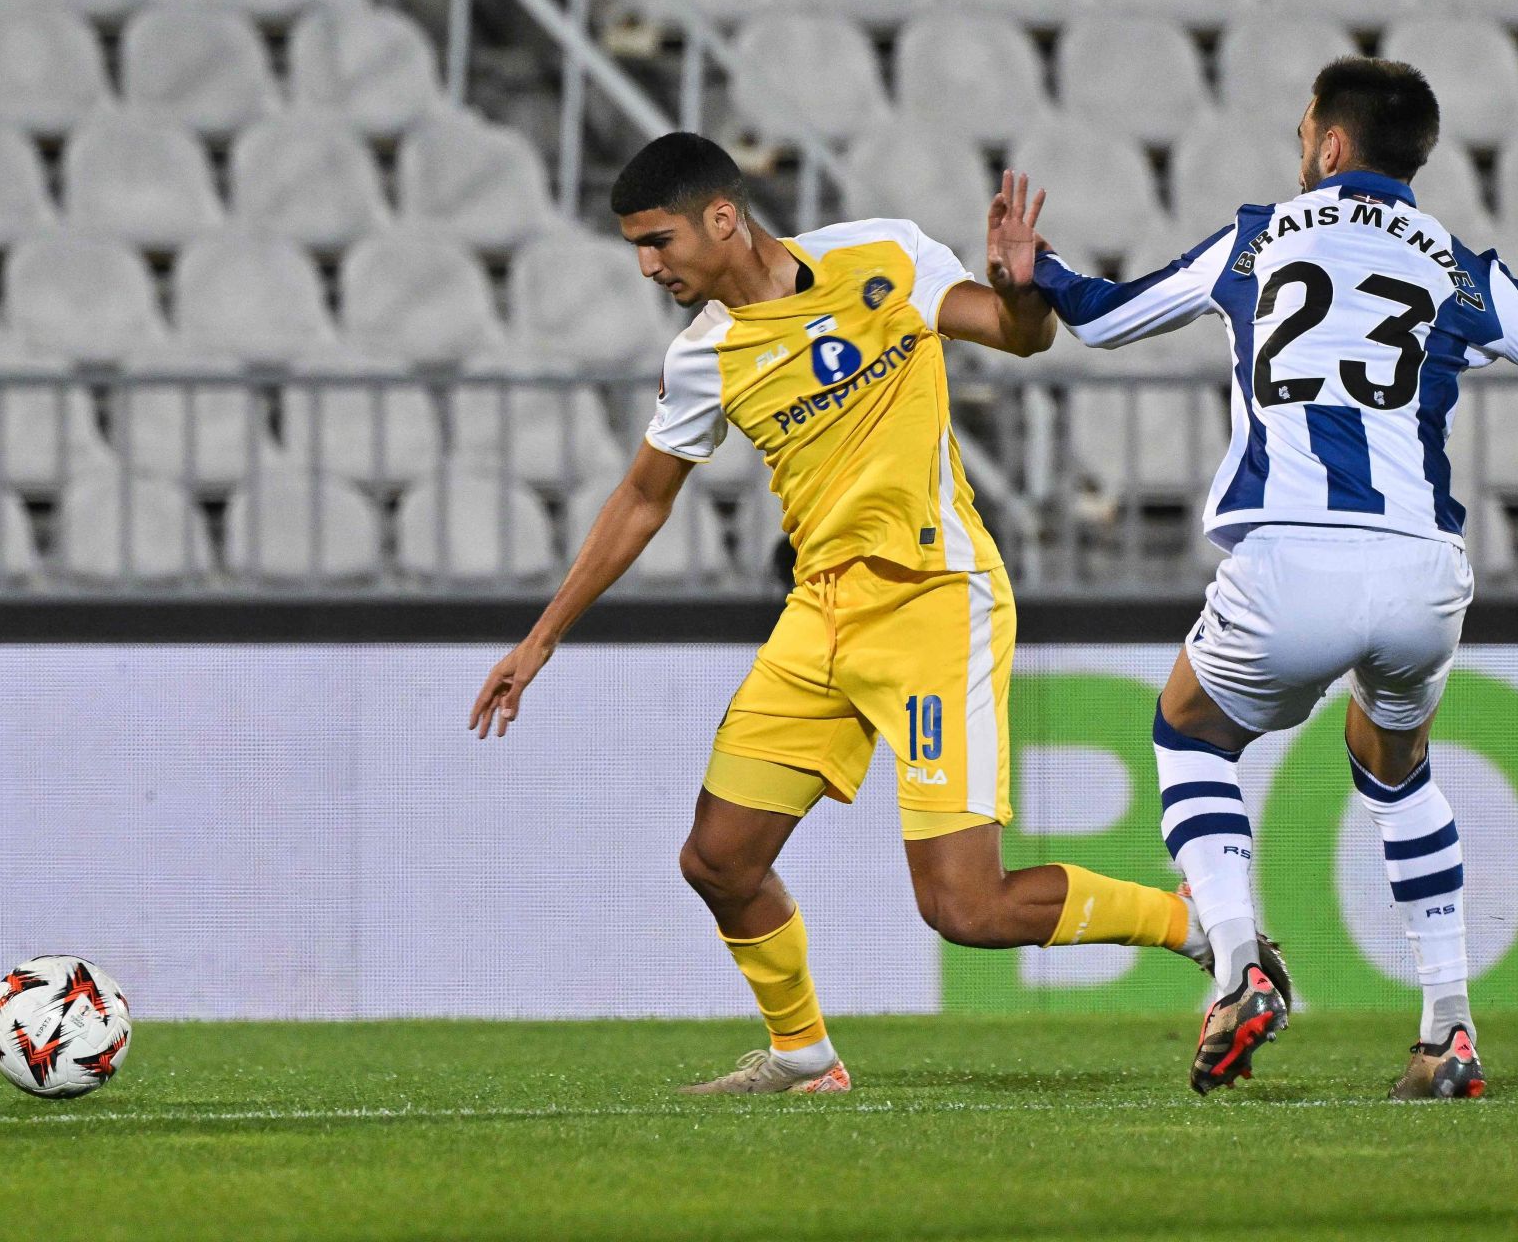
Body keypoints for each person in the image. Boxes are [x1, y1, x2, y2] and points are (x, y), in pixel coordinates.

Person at [1027, 57, 1518, 1099]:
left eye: (1305, 128)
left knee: (1190, 735)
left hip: (1289, 561)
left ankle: (1237, 961)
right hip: (1419, 573)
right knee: (1393, 766)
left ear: (1331, 143)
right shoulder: (1460, 269)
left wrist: (1039, 269)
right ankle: (1448, 1031)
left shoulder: (1257, 238)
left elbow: (1106, 316)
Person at [469, 132, 1285, 1094]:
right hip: (820, 613)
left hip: (936, 600)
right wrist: (542, 638)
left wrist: (1023, 287)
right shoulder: (702, 357)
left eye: (658, 241)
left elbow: (1018, 334)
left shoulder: (882, 256)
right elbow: (644, 497)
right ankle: (804, 1055)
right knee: (719, 861)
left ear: (721, 218)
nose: (649, 266)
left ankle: (1202, 928)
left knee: (966, 909)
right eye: (637, 247)